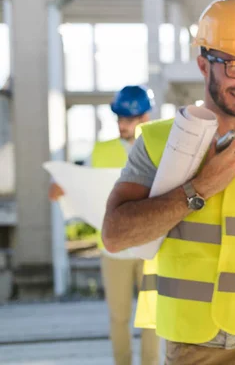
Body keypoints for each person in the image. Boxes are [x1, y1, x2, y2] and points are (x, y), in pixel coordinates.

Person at [101, 0, 235, 365]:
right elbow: (114, 235)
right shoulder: (158, 141)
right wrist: (197, 189)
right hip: (194, 344)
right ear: (203, 64)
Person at [49, 85, 160, 365]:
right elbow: (79, 180)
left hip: (151, 248)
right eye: (119, 119)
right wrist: (62, 186)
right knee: (118, 317)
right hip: (113, 249)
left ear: (145, 117)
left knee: (152, 319)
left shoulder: (161, 148)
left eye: (128, 119)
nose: (122, 124)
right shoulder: (100, 150)